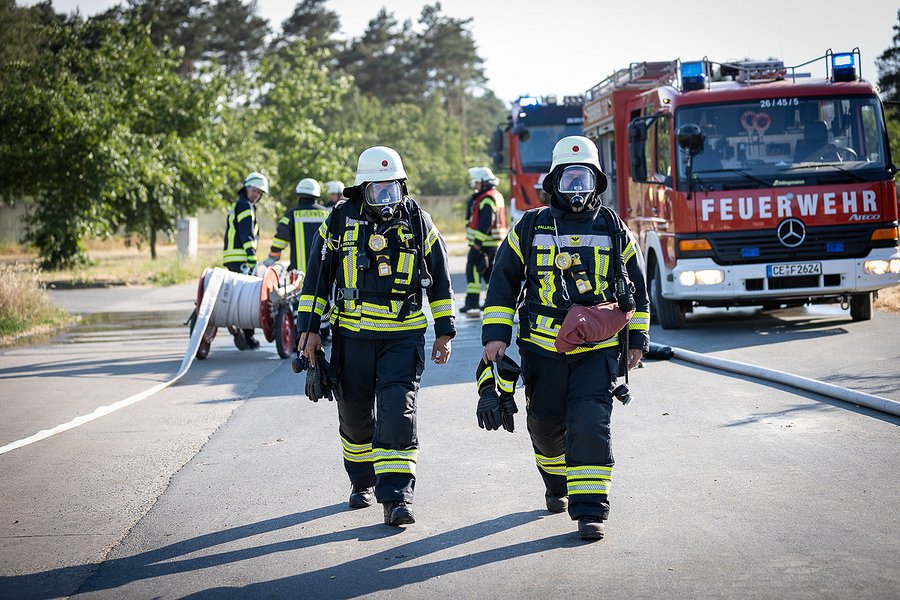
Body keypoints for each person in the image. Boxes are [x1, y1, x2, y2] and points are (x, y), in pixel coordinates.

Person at [480, 136, 650, 540]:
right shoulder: (531, 225)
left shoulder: (612, 226)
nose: (576, 189)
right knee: (545, 423)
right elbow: (503, 283)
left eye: (584, 179)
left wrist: (638, 339)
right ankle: (557, 484)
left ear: (596, 182)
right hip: (541, 350)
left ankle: (590, 510)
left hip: (599, 350)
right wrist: (495, 336)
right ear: (554, 182)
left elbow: (637, 289)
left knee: (591, 422)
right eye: (568, 180)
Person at [296, 146, 456, 527]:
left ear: (402, 186)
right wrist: (310, 330)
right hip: (352, 336)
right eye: (377, 191)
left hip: (403, 337)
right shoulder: (338, 221)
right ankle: (361, 481)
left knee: (398, 411)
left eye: (392, 190)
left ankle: (398, 497)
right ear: (361, 189)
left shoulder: (420, 222)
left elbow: (441, 278)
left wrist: (445, 332)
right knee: (354, 415)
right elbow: (317, 279)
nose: (386, 199)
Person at [223, 171, 268, 350]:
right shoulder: (245, 206)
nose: (256, 195)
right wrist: (251, 258)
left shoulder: (238, 204)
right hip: (242, 258)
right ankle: (248, 338)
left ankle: (237, 327)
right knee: (248, 299)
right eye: (254, 191)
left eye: (259, 193)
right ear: (246, 187)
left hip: (231, 257)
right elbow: (246, 234)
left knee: (237, 296)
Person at [461, 166, 506, 317]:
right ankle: (489, 302)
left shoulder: (487, 198)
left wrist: (477, 243)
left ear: (484, 183)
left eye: (477, 183)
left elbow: (486, 221)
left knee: (473, 270)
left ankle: (472, 302)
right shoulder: (495, 195)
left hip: (484, 243)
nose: (475, 186)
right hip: (492, 243)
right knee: (488, 274)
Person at [264, 178, 330, 274]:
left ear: (298, 195)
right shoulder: (327, 214)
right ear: (316, 196)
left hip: (299, 275)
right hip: (323, 273)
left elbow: (282, 236)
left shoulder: (292, 214)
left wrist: (274, 253)